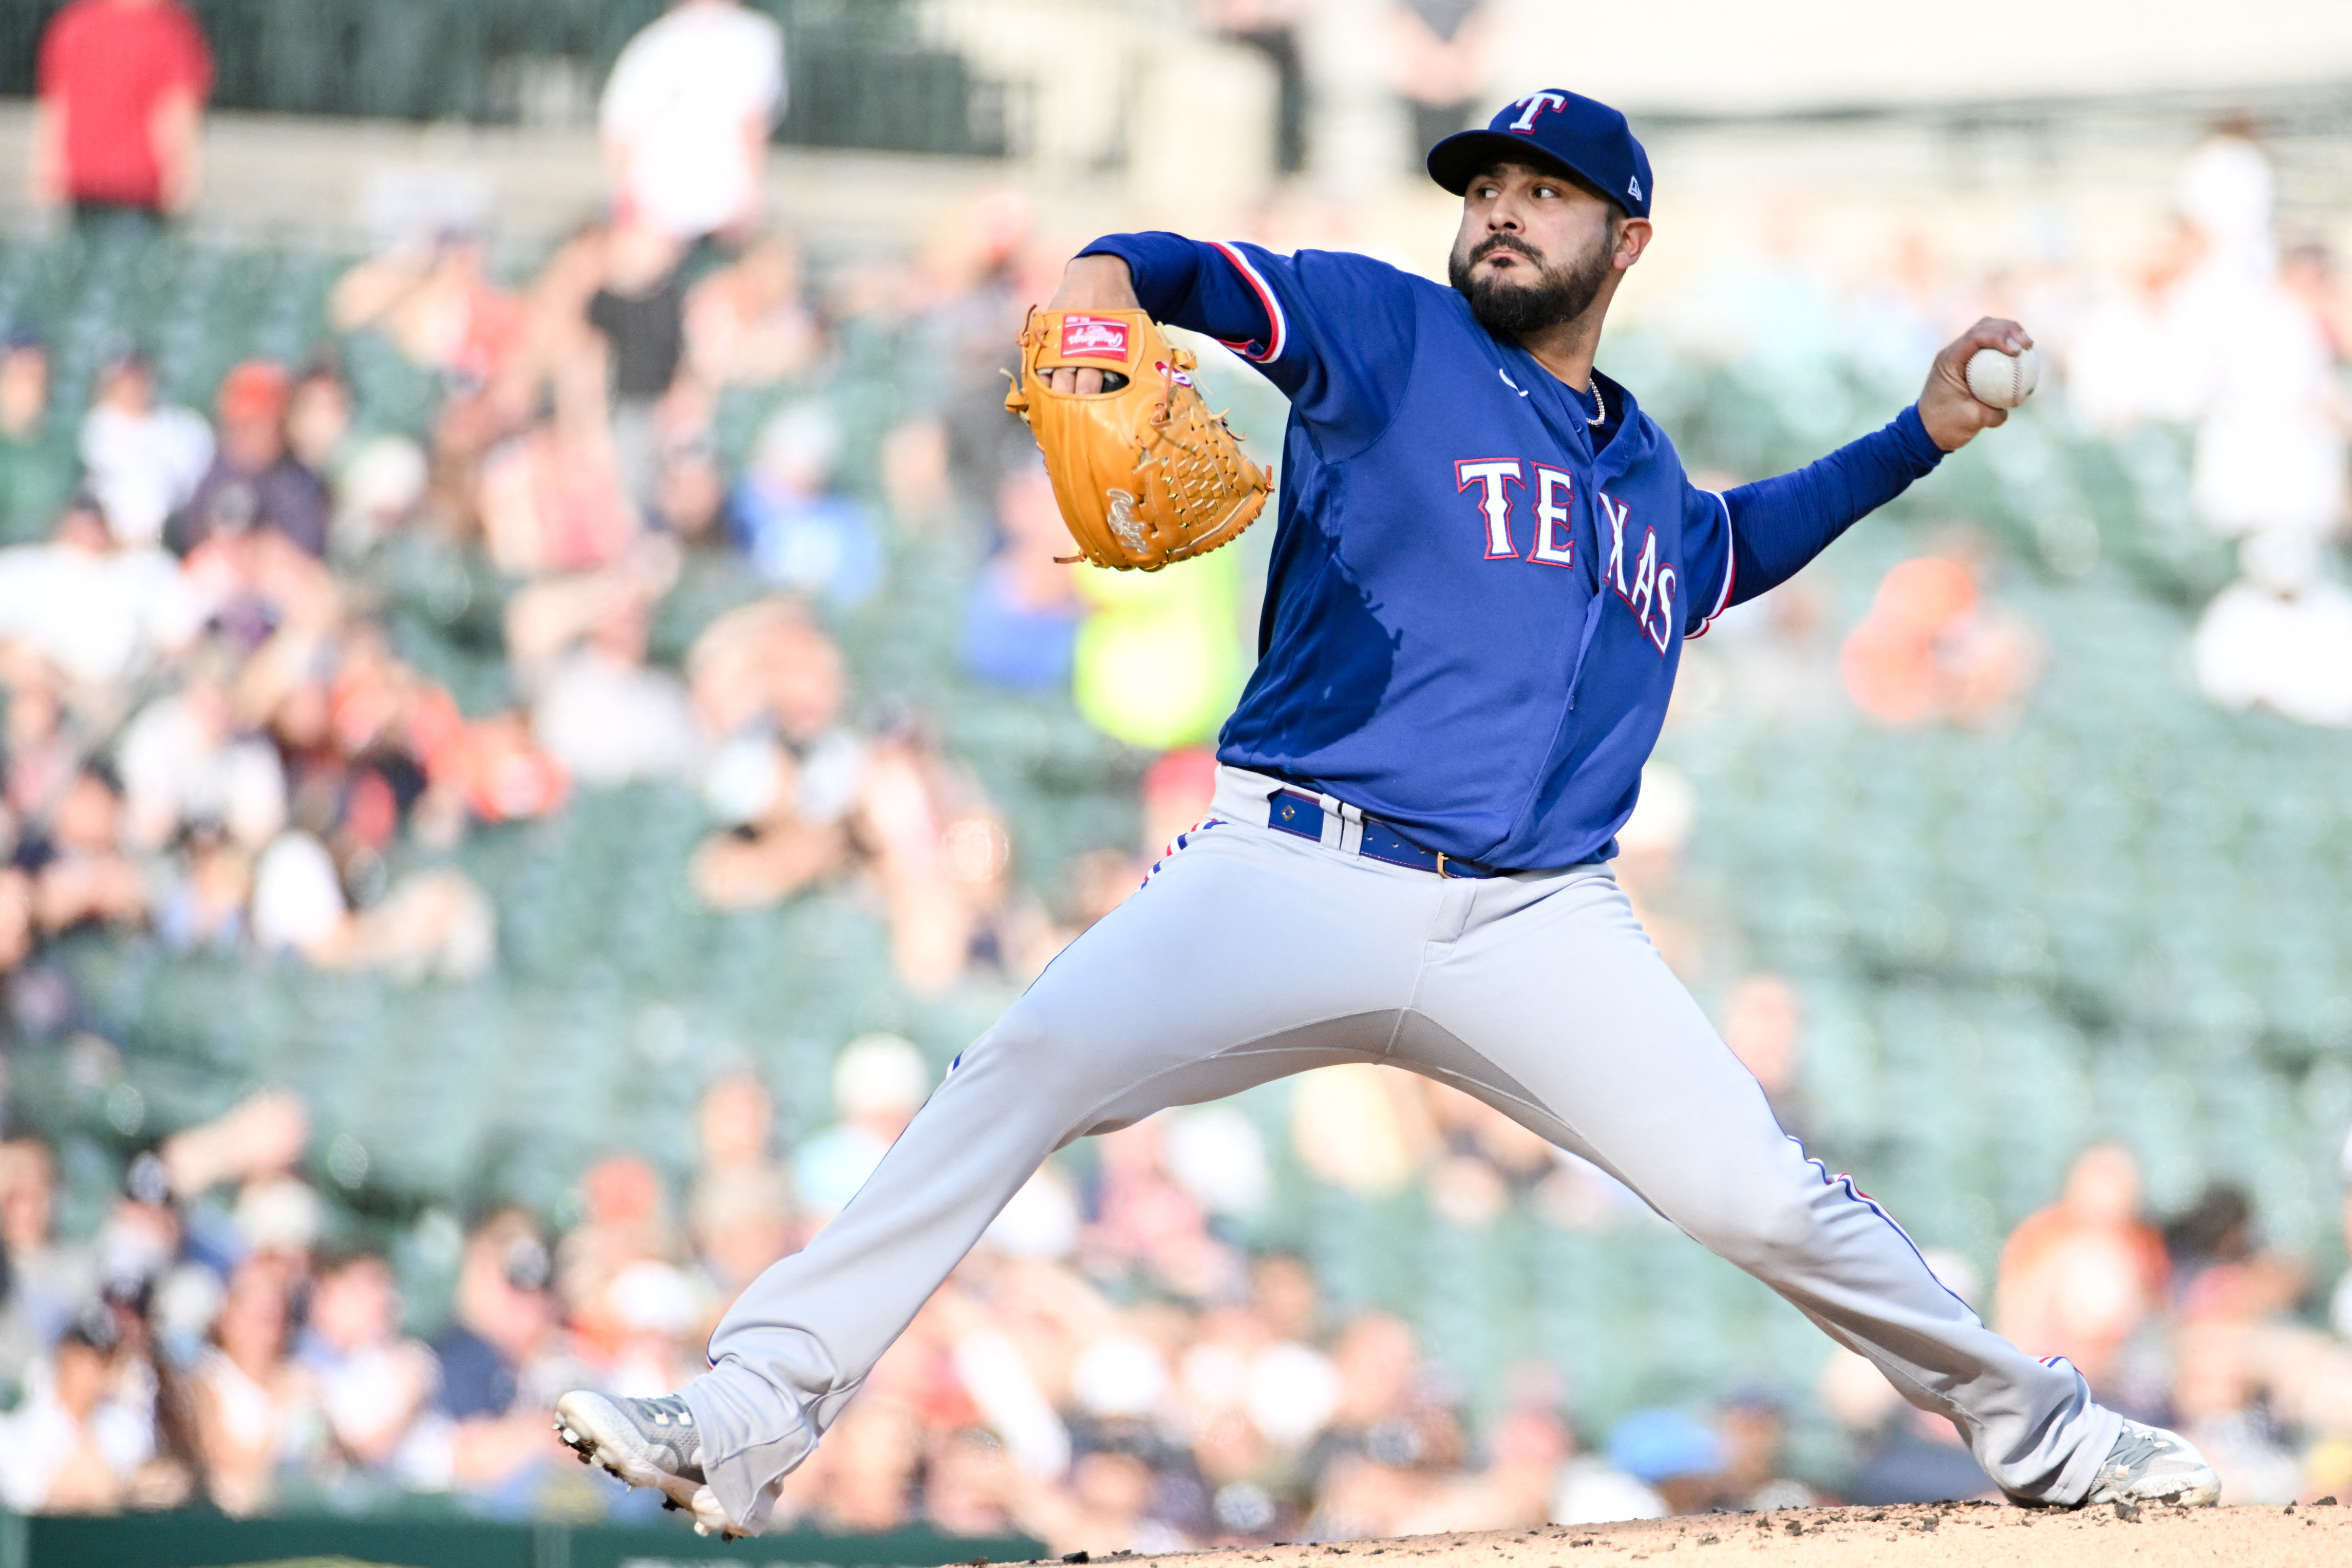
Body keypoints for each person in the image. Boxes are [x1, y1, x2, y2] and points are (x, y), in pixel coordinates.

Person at [554, 89, 2221, 1535]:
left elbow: (1737, 542)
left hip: (1538, 922)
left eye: (1538, 192)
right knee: (1025, 1064)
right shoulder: (1383, 330)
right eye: (1481, 188)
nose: (1496, 211)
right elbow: (1179, 271)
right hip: (1297, 864)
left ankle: (2043, 1431)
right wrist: (1090, 292)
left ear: (1622, 242)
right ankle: (749, 1412)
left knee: (1758, 1195)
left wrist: (1916, 435)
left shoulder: (1639, 478)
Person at [597, 0, 787, 247]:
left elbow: (618, 131)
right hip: (719, 207)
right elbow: (751, 120)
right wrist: (753, 197)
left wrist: (628, 197)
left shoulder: (654, 40)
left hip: (657, 211)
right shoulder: (753, 35)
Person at [30, 0, 212, 226]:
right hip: (141, 185)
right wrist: (182, 179)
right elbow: (175, 113)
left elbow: (57, 108)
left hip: (82, 181)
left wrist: (47, 171)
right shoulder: (170, 31)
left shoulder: (74, 24)